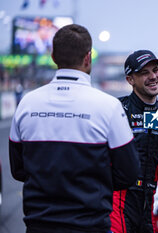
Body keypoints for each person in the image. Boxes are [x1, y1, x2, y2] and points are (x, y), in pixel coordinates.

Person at [9, 24, 140, 233]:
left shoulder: (27, 103)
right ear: (88, 57)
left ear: (53, 56)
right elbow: (129, 173)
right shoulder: (108, 106)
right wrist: (92, 187)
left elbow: (18, 170)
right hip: (90, 225)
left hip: (39, 225)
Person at [110, 50, 158, 233]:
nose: (153, 77)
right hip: (117, 203)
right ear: (130, 79)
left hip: (147, 205)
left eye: (155, 70)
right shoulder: (117, 109)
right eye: (145, 73)